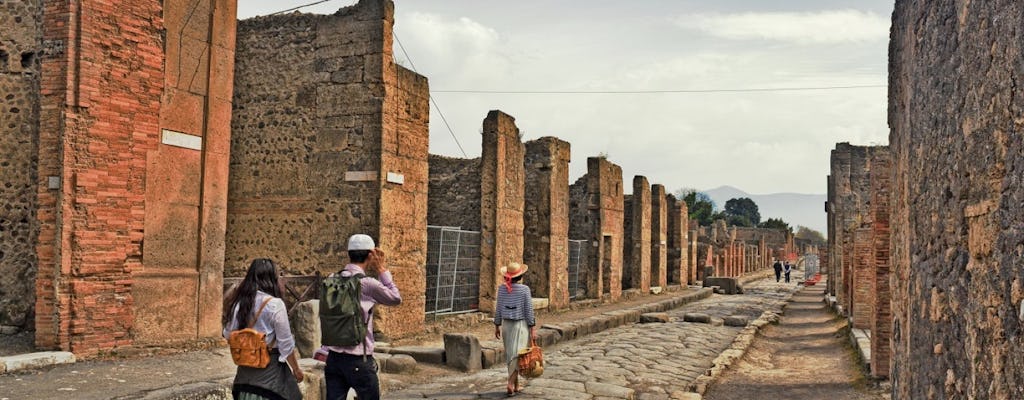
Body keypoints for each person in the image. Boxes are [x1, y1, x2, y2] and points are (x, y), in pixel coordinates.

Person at [324, 234, 401, 400]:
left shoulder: (331, 279)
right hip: (359, 358)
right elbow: (395, 298)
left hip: (334, 358)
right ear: (370, 255)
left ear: (348, 254)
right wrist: (381, 269)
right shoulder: (367, 283)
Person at [223, 258, 304, 400]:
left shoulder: (239, 303)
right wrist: (296, 369)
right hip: (270, 380)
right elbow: (286, 344)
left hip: (244, 378)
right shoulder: (275, 305)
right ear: (272, 278)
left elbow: (228, 334)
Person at [493, 262, 537, 396]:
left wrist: (497, 325)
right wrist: (532, 327)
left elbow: (499, 308)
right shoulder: (525, 290)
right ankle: (510, 383)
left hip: (506, 325)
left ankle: (516, 385)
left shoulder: (502, 289)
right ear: (521, 276)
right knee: (518, 355)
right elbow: (528, 310)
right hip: (520, 325)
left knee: (510, 355)